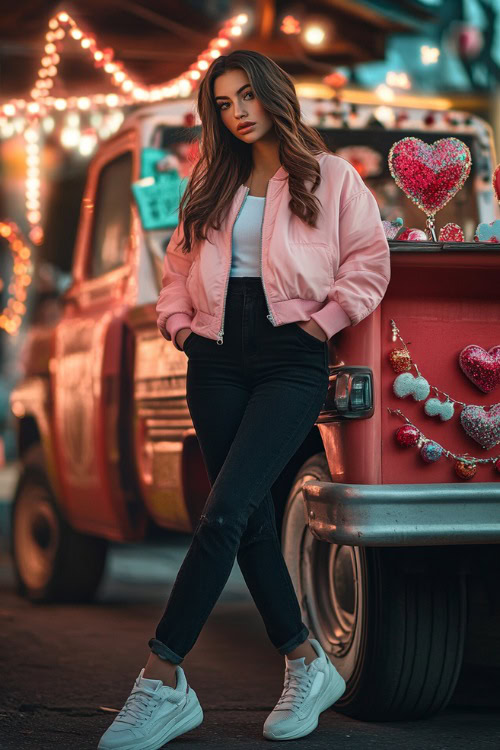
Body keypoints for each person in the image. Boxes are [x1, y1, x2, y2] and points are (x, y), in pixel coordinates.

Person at [98, 49, 390, 749]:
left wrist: (322, 323)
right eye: (224, 104)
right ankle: (304, 660)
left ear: (273, 95)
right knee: (249, 517)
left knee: (222, 512)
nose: (238, 113)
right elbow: (175, 269)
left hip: (291, 354)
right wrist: (178, 326)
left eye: (246, 97)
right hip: (216, 357)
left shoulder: (332, 176)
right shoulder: (211, 179)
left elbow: (370, 261)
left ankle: (161, 676)